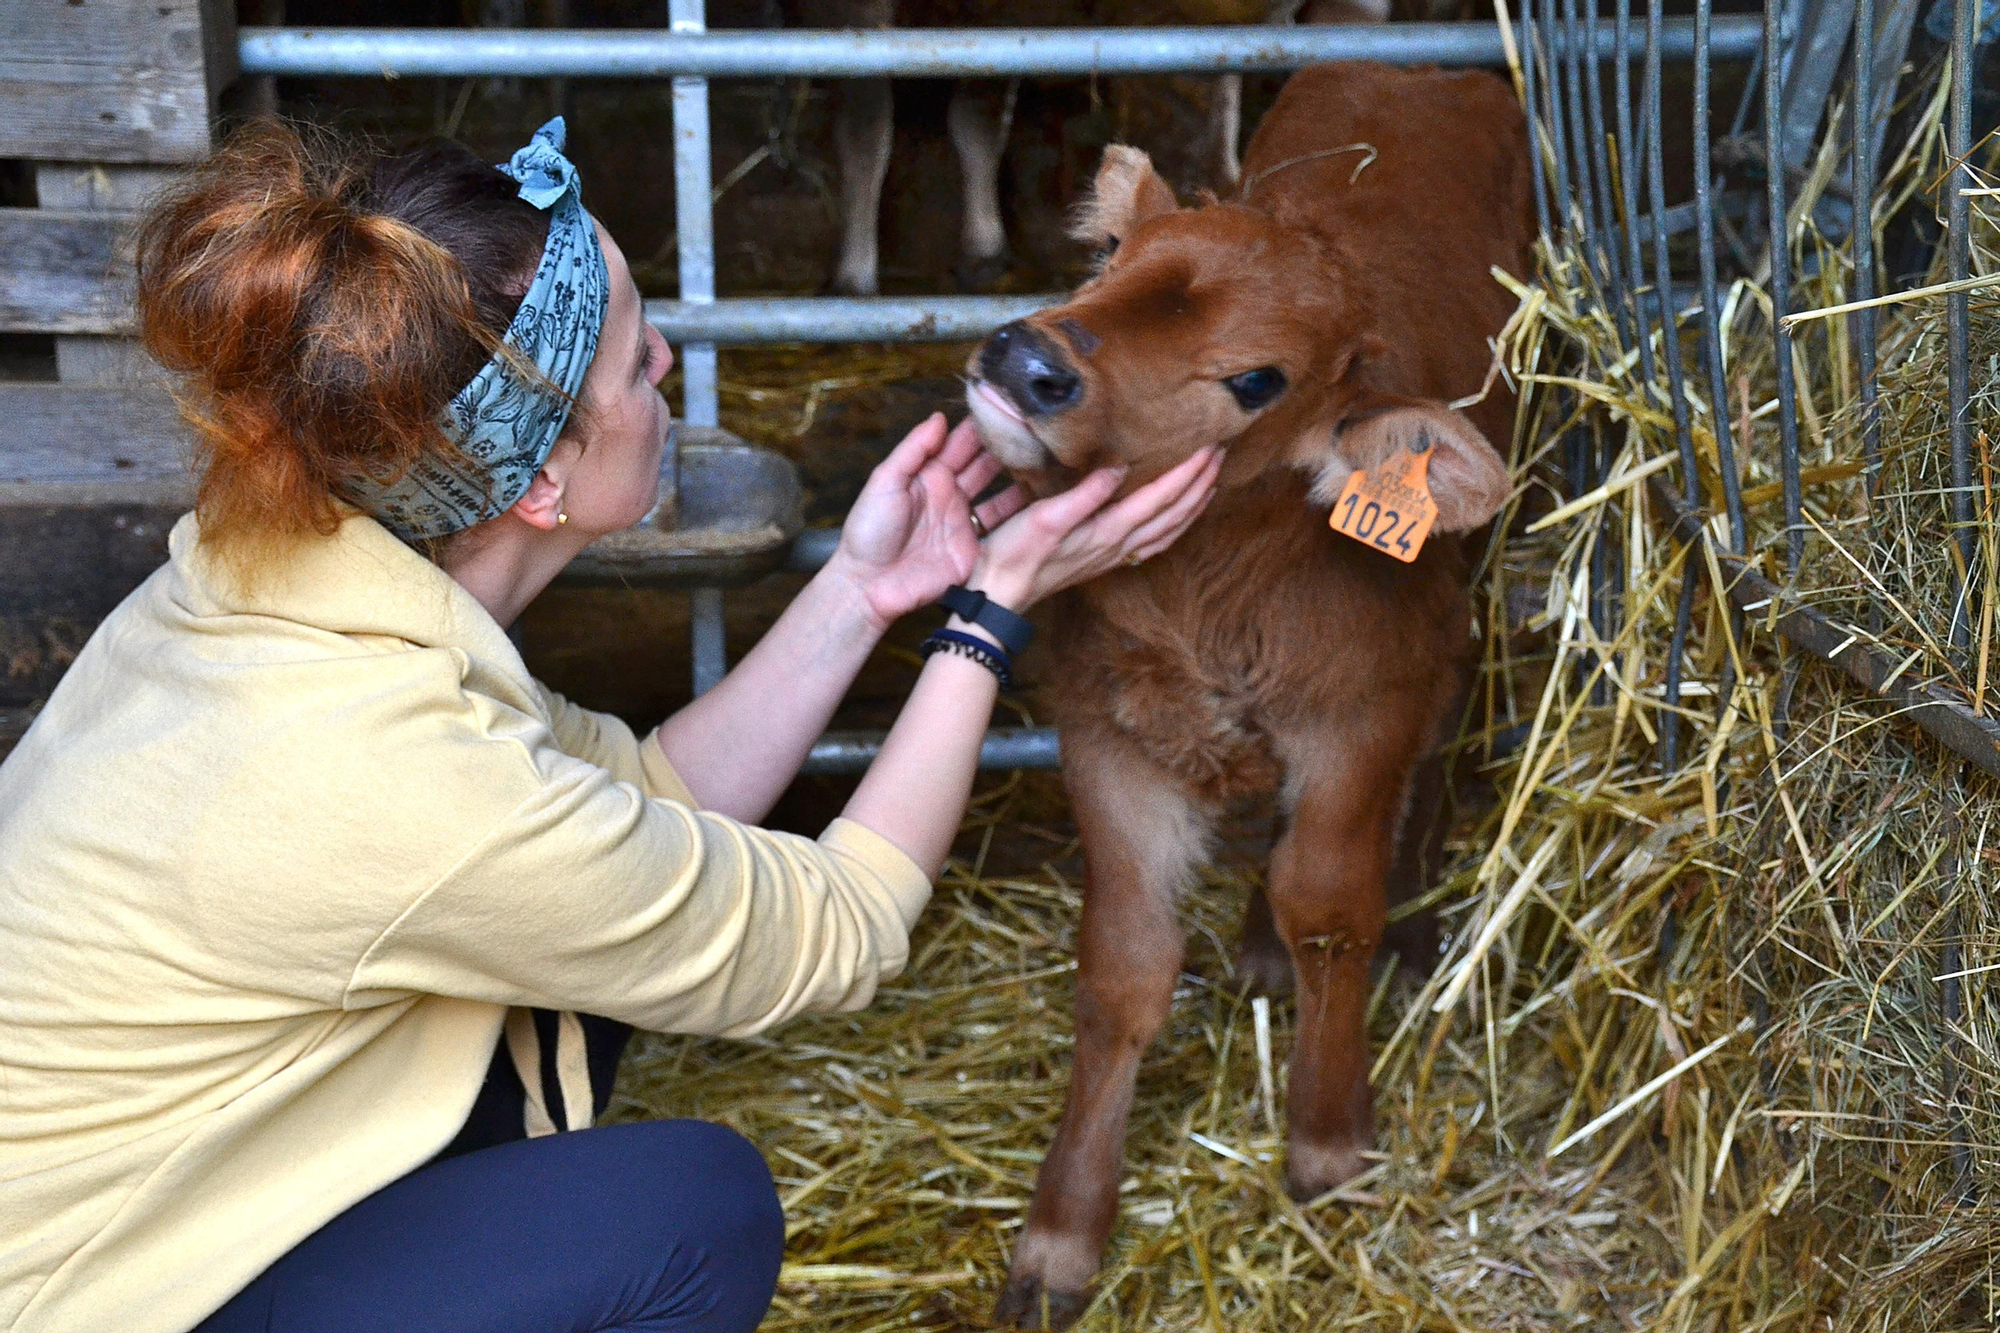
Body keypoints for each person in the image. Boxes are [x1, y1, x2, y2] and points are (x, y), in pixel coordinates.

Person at [0, 118, 1220, 1333]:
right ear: (537, 478)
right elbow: (844, 928)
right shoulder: (394, 774)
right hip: (86, 1297)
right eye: (638, 364)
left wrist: (858, 592)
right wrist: (986, 615)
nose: (672, 366)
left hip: (138, 1202)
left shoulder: (276, 584)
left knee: (560, 1011)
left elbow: (636, 799)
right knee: (689, 1215)